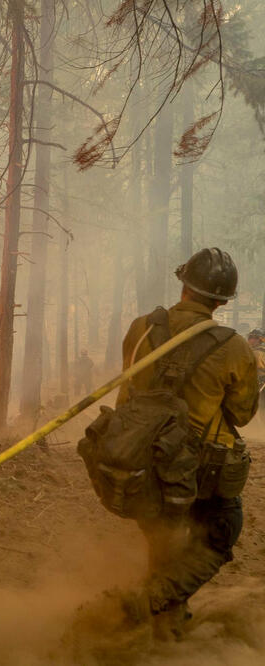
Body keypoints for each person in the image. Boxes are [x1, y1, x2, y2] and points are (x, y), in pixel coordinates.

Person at [116, 248, 259, 639]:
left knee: (163, 538)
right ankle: (148, 603)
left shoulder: (141, 328)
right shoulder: (234, 347)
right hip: (195, 470)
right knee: (221, 531)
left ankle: (165, 627)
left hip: (138, 459)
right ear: (221, 301)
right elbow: (242, 414)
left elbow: (128, 389)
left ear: (183, 285)